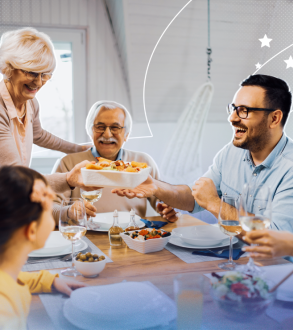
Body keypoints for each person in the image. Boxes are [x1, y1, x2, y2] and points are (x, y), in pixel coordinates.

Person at [112, 74, 293, 235]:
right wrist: (156, 186)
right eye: (234, 108)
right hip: (228, 260)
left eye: (244, 111)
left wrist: (215, 204)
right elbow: (196, 197)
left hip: (275, 272)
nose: (232, 118)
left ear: (274, 118)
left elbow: (277, 239)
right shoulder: (231, 152)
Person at [52, 100, 178, 223]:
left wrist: (166, 209)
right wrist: (68, 211)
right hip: (85, 239)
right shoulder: (67, 163)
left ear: (126, 134)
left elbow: (160, 200)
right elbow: (48, 208)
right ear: (90, 131)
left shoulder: (144, 162)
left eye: (115, 127)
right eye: (100, 127)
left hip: (133, 238)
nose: (107, 134)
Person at [0, 166, 87, 330]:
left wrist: (48, 281)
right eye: (48, 210)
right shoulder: (4, 312)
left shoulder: (6, 273)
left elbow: (13, 277)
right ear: (31, 231)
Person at [0, 27, 90, 168]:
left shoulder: (31, 104)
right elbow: (15, 173)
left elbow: (38, 135)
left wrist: (78, 149)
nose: (38, 82)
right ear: (8, 68)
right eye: (32, 73)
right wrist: (70, 178)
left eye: (45, 74)